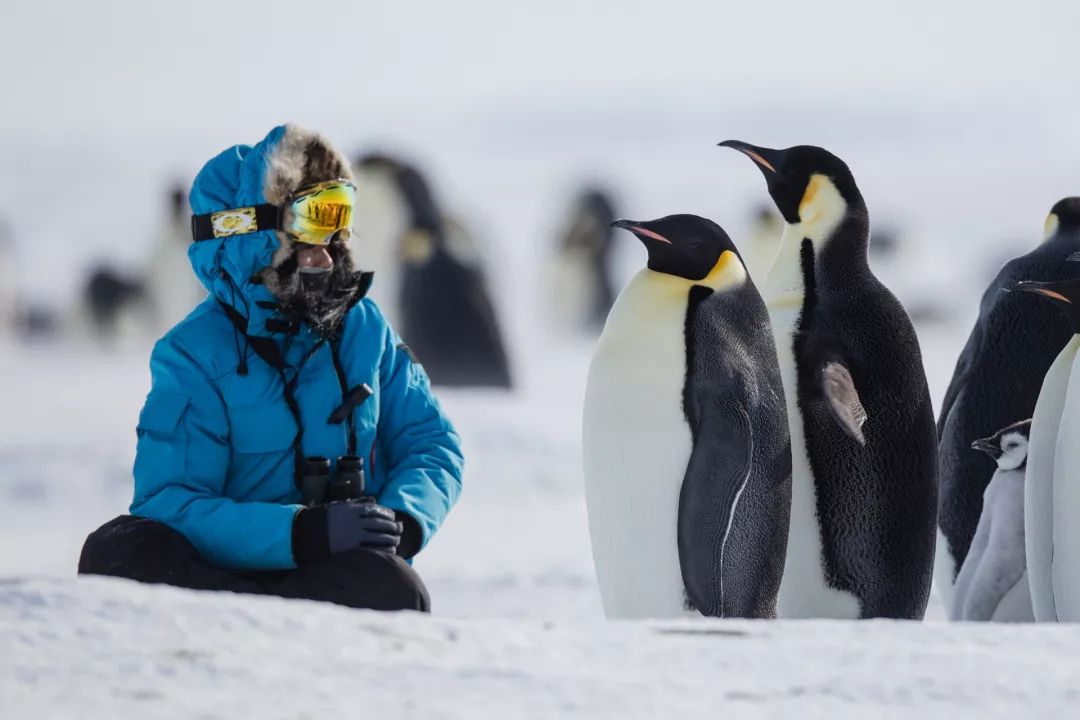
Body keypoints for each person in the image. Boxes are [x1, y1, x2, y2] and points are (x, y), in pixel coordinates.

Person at [78, 125, 464, 612]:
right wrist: (298, 532)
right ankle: (247, 617)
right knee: (118, 549)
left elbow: (432, 443)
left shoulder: (365, 329)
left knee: (394, 586)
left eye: (335, 226)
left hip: (327, 570)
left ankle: (257, 616)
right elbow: (170, 501)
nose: (325, 253)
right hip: (219, 568)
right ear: (255, 240)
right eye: (307, 229)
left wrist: (403, 518)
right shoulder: (193, 353)